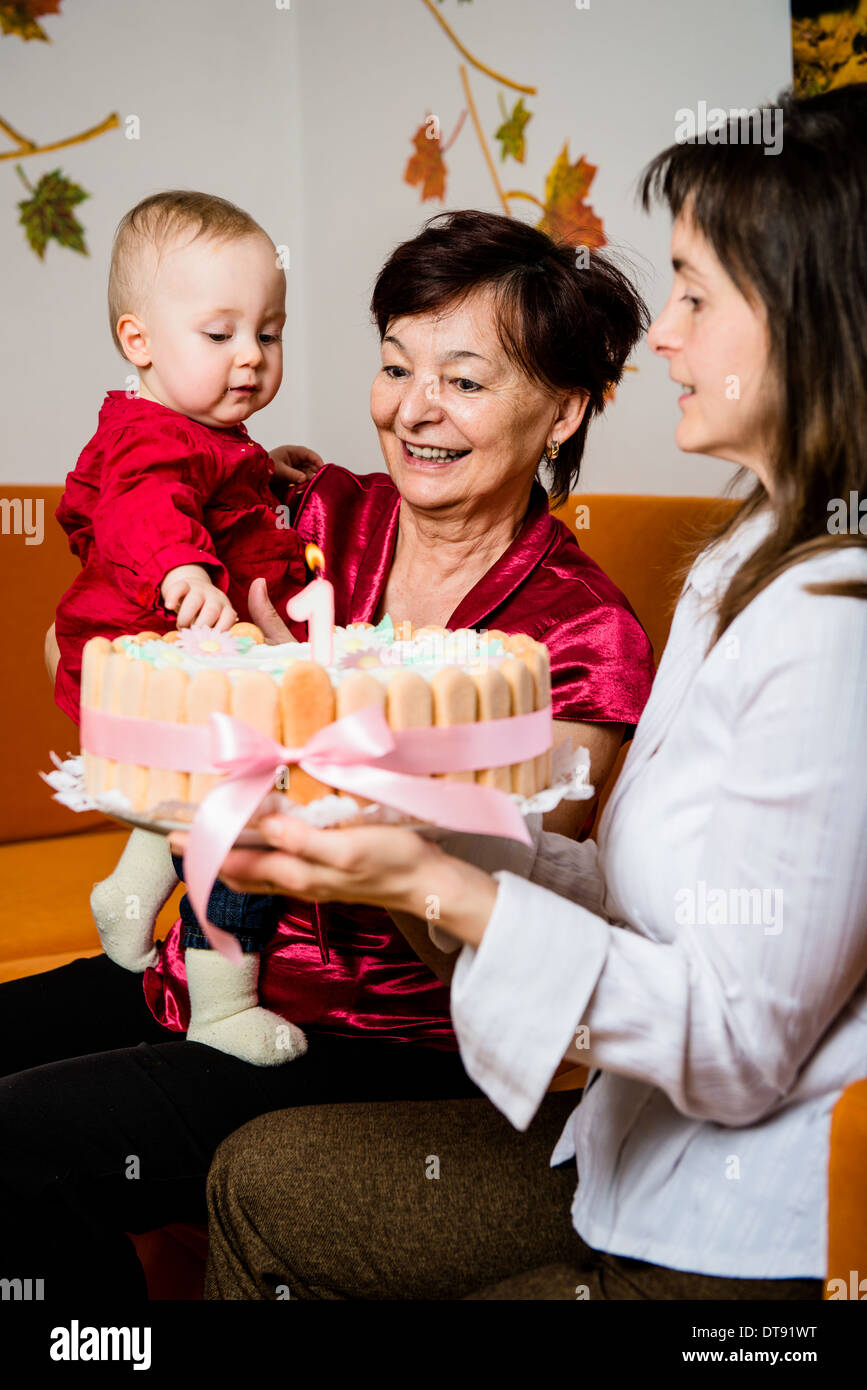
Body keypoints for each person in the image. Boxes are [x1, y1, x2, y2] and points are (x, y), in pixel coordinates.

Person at [193, 85, 867, 1300]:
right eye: (398, 364)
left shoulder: (837, 629)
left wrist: (430, 883)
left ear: (820, 322)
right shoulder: (738, 569)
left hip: (740, 1234)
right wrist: (429, 826)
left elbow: (736, 1042)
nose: (663, 337)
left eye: (699, 297)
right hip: (626, 1149)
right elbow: (630, 890)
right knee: (260, 1178)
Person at [10, 209, 653, 1300]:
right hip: (203, 967)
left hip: (381, 1040)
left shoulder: (581, 637)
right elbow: (119, 557)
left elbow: (508, 915)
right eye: (396, 364)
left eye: (464, 378)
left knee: (21, 1142)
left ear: (565, 409)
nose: (413, 410)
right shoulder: (308, 513)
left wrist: (354, 784)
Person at [53, 188, 320, 1066]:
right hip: (164, 661)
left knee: (202, 804)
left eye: (268, 334)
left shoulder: (199, 431)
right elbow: (141, 507)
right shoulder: (150, 440)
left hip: (186, 669)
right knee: (242, 818)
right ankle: (218, 999)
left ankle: (130, 895)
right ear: (140, 342)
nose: (250, 357)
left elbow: (210, 485)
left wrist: (267, 473)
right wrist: (178, 567)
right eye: (220, 335)